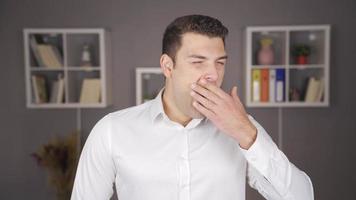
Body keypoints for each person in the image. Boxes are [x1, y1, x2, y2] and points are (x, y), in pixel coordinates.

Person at [71, 15, 314, 200]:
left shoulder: (241, 127)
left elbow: (303, 196)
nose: (212, 75)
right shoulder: (112, 130)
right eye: (198, 62)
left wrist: (248, 135)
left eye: (219, 63)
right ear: (168, 66)